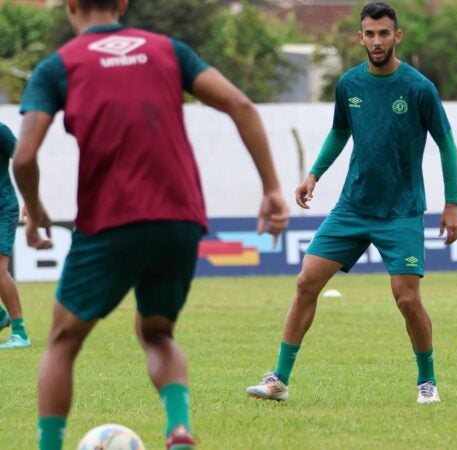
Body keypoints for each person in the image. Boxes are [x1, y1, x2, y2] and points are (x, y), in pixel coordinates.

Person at [13, 1, 290, 449]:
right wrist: (272, 188)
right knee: (157, 333)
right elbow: (241, 105)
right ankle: (178, 428)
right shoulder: (167, 50)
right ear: (122, 3)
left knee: (62, 341)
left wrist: (35, 209)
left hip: (110, 220)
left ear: (69, 6)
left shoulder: (58, 66)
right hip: (179, 219)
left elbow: (24, 157)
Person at [246, 2, 457, 405]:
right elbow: (339, 132)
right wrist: (314, 173)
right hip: (352, 207)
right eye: (369, 33)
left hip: (401, 211)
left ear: (397, 36)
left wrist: (452, 203)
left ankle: (426, 381)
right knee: (306, 282)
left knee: (407, 299)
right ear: (360, 37)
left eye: (384, 33)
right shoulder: (349, 85)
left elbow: (446, 143)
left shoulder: (419, 88)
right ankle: (278, 379)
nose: (376, 41)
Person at [0, 123, 30, 349]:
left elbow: (25, 161)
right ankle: (1, 316)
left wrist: (31, 201)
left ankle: (20, 333)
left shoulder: (1, 131)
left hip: (3, 208)